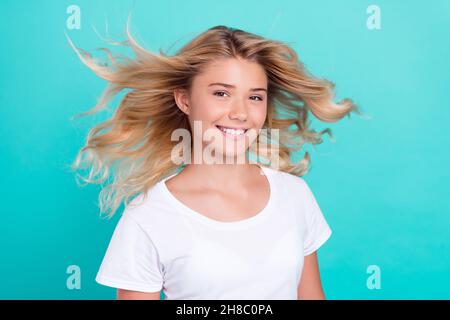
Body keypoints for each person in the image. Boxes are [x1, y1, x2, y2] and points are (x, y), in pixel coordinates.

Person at [69, 24, 363, 300]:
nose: (240, 112)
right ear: (184, 100)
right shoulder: (147, 217)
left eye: (255, 97)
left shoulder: (294, 195)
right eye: (222, 93)